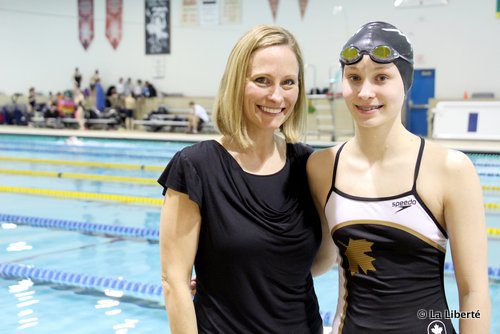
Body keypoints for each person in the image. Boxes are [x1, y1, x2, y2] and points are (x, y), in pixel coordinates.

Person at [307, 21, 490, 333]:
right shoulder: (322, 167)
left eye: (381, 77)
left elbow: (473, 292)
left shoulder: (450, 169)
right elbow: (319, 261)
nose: (365, 92)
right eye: (354, 78)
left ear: (405, 82)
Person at [158, 25, 323, 333]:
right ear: (237, 82)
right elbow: (174, 283)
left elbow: (317, 261)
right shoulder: (196, 167)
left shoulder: (307, 164)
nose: (277, 95)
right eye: (262, 80)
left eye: (288, 82)